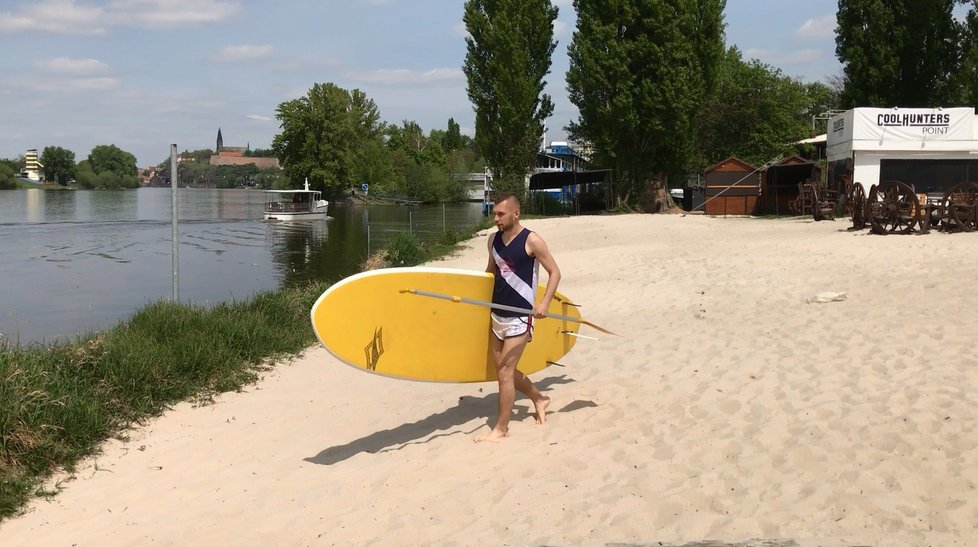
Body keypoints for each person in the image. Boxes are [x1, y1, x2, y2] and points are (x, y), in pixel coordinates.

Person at [476, 192, 561, 443]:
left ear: (516, 213)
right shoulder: (493, 241)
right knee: (504, 371)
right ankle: (539, 397)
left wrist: (544, 303)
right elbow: (490, 274)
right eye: (494, 214)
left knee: (504, 373)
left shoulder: (532, 240)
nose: (496, 219)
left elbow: (555, 272)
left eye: (500, 214)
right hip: (497, 315)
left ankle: (501, 428)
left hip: (520, 317)